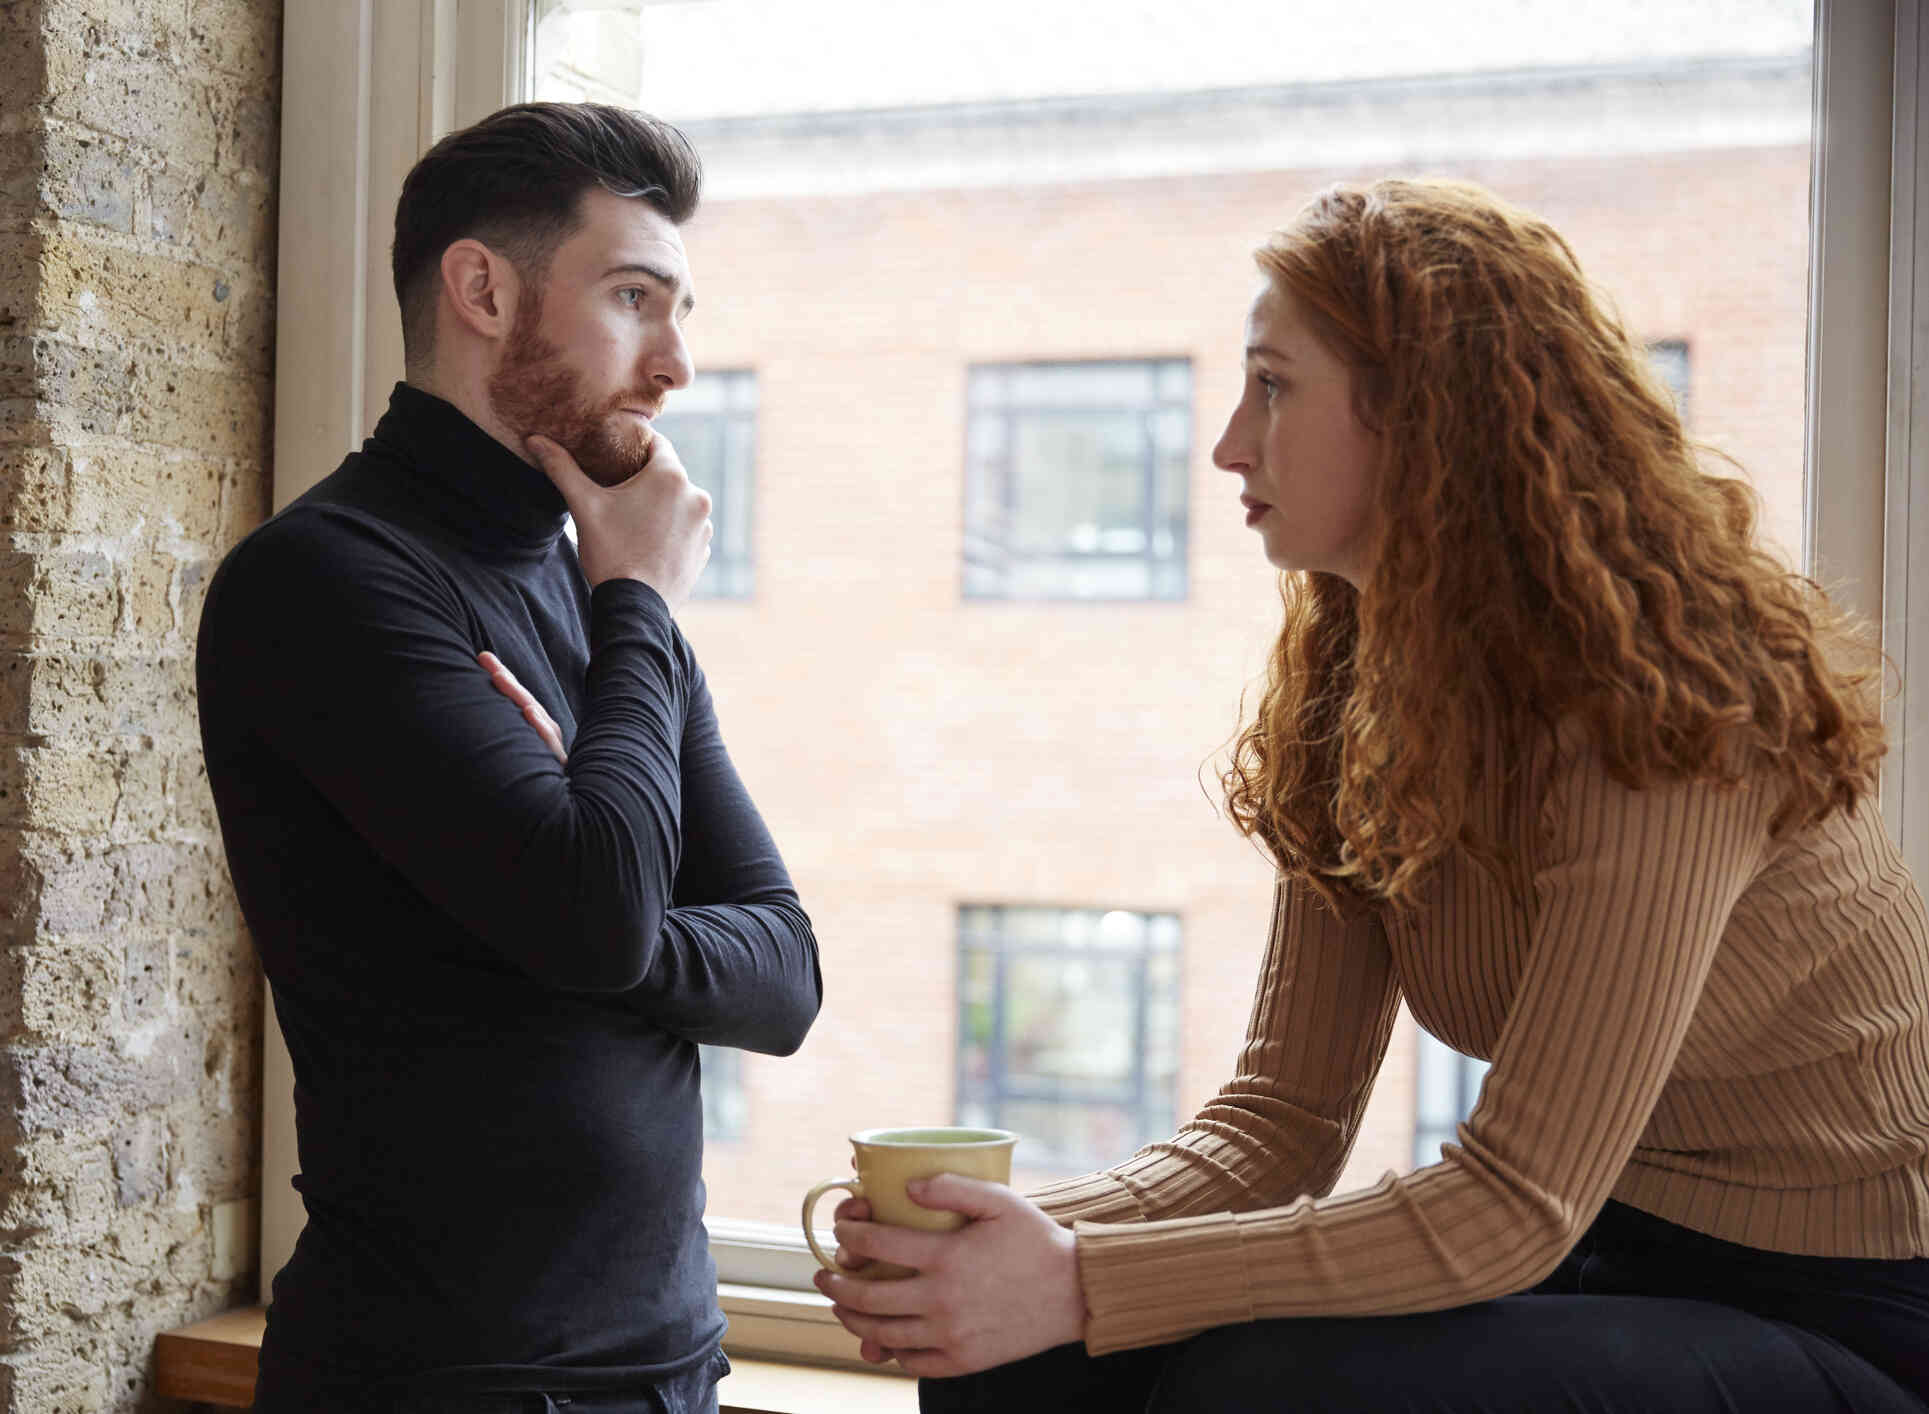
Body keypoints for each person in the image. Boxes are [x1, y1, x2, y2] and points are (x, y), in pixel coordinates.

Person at [817, 178, 1929, 1413]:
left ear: (1424, 419)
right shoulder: (1362, 686)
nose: (1230, 441)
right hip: (1606, 1257)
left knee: (1268, 1381)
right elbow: (1278, 1121)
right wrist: (984, 1252)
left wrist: (1080, 1275)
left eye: (1274, 385)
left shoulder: (1666, 713)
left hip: (1849, 1305)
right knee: (1012, 1350)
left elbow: (1514, 1203)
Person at [196, 102, 821, 1414]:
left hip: (668, 1368)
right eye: (637, 298)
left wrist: (600, 910)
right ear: (481, 287)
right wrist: (639, 612)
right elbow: (592, 915)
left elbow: (783, 971)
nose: (676, 366)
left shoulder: (593, 584)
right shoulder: (327, 583)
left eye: (683, 309)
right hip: (442, 1386)